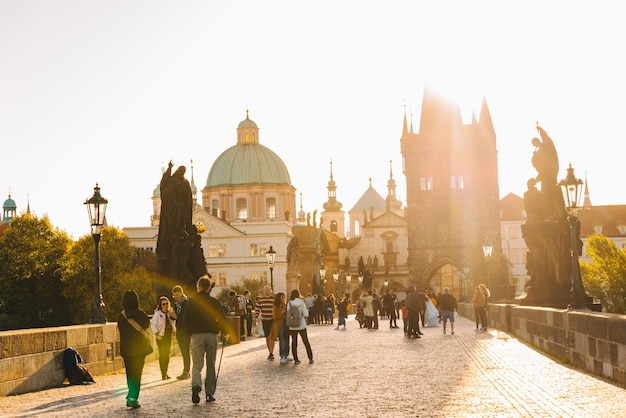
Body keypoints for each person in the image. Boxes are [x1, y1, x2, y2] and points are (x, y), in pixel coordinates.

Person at [182, 276, 229, 404]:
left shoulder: (191, 302)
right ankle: (209, 393)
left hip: (197, 336)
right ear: (209, 288)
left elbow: (185, 321)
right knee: (210, 364)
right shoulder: (214, 302)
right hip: (211, 335)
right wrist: (225, 332)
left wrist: (189, 333)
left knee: (197, 364)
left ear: (198, 286)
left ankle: (196, 385)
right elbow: (222, 318)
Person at [117, 290, 152, 409]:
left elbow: (121, 330)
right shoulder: (141, 314)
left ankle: (131, 394)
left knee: (130, 373)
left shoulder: (121, 316)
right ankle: (133, 398)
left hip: (126, 349)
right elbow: (147, 325)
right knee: (137, 374)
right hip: (139, 349)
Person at [151, 296, 176, 380]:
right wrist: (157, 334)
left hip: (168, 336)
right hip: (161, 337)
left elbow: (174, 322)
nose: (165, 305)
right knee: (162, 355)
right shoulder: (158, 314)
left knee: (167, 354)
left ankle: (166, 372)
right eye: (163, 304)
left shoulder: (170, 313)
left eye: (166, 303)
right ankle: (163, 374)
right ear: (160, 305)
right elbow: (153, 324)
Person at [287, 289, 313, 364]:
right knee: (306, 341)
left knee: (294, 342)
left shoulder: (289, 303)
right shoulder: (301, 302)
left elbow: (288, 314)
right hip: (301, 325)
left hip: (292, 326)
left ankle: (296, 359)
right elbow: (305, 314)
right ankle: (310, 358)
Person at [171, 285, 191, 380]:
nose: (175, 297)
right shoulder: (175, 305)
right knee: (183, 351)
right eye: (174, 295)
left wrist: (175, 316)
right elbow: (175, 318)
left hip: (186, 330)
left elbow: (184, 317)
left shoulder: (187, 303)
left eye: (177, 295)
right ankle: (186, 371)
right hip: (179, 330)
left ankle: (186, 371)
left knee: (186, 351)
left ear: (182, 293)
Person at [270, 292, 291, 364]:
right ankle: (282, 355)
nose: (283, 299)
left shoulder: (286, 304)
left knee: (287, 339)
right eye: (282, 297)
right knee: (282, 339)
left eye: (284, 297)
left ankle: (286, 354)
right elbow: (275, 316)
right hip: (280, 324)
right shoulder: (276, 306)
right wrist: (281, 312)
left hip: (286, 323)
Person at [255, 285, 275, 360]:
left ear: (271, 291)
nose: (266, 292)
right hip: (265, 319)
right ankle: (270, 351)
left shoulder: (274, 299)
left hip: (272, 319)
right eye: (265, 290)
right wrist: (256, 317)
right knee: (267, 336)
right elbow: (257, 309)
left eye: (268, 290)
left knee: (272, 336)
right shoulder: (260, 300)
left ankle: (271, 352)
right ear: (263, 291)